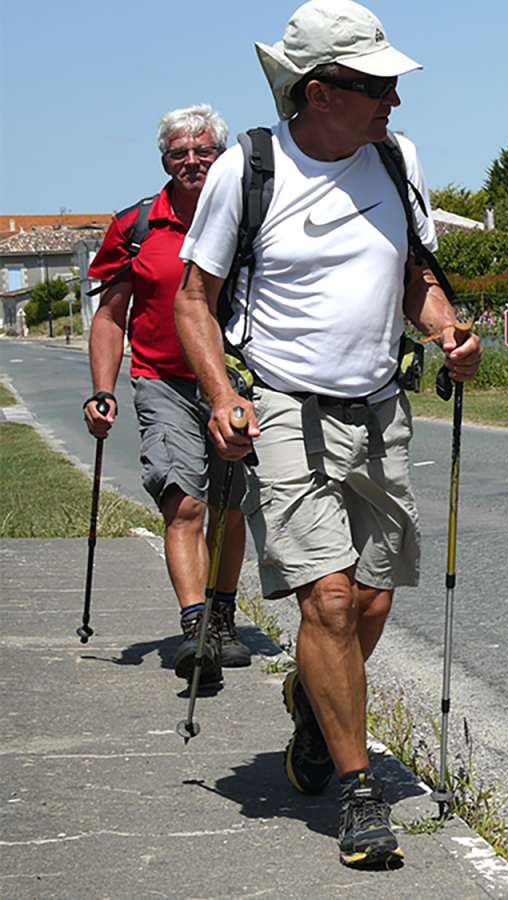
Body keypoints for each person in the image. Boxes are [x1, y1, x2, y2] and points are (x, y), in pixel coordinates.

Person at [173, 0, 480, 867]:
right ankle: (358, 793)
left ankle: (315, 707)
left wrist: (445, 330)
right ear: (318, 91)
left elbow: (417, 273)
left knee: (374, 598)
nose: (394, 99)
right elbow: (194, 300)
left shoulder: (397, 158)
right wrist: (222, 395)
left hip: (380, 410)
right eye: (377, 85)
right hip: (285, 409)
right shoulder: (249, 169)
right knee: (331, 601)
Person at [84, 105, 249, 686]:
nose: (192, 161)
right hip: (162, 380)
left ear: (222, 157)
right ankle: (196, 627)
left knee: (229, 506)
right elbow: (111, 317)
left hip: (234, 379)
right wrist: (102, 391)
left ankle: (223, 615)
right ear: (164, 161)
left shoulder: (248, 215)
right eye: (180, 153)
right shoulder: (136, 227)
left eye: (204, 151)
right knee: (184, 502)